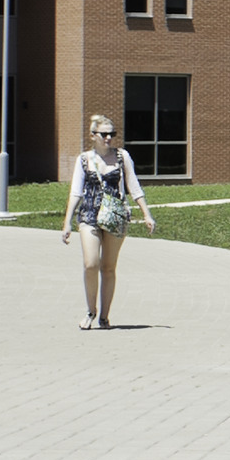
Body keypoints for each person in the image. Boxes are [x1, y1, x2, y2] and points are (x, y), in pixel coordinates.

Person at [60, 115, 155, 329]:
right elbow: (75, 192)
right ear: (93, 136)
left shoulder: (122, 157)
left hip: (115, 216)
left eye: (112, 134)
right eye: (104, 134)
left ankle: (104, 316)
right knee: (91, 263)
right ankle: (90, 311)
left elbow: (134, 187)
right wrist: (67, 223)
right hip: (90, 215)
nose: (109, 138)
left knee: (109, 267)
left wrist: (146, 214)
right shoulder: (83, 159)